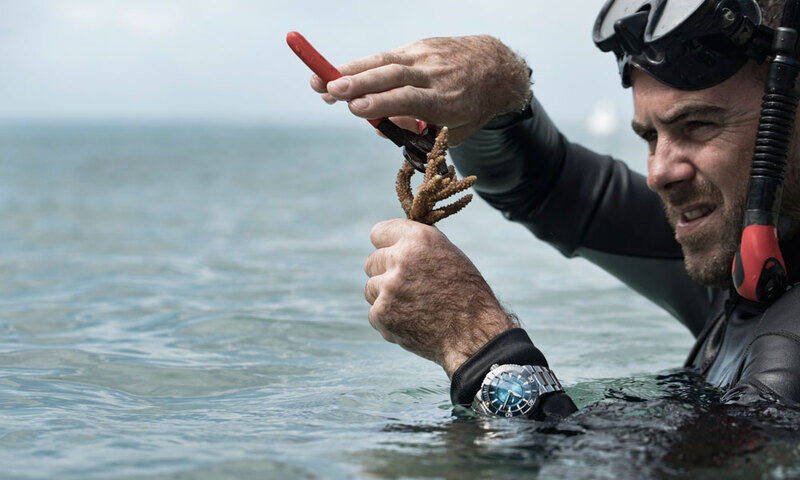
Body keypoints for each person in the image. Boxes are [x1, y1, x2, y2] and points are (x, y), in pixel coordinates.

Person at [310, 0, 800, 419]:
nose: (658, 173)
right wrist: (499, 91)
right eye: (651, 137)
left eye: (697, 126)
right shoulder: (748, 256)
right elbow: (547, 187)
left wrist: (477, 343)